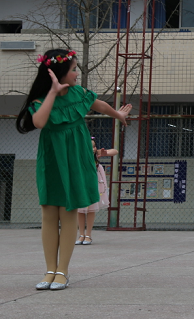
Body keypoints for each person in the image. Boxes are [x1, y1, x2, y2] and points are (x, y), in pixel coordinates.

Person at [16, 49, 131, 291]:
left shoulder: (78, 93)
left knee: (68, 211)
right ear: (58, 73)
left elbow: (97, 104)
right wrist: (53, 92)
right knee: (49, 212)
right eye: (73, 69)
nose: (77, 73)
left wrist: (117, 114)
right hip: (52, 160)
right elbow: (39, 122)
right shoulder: (41, 100)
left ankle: (62, 272)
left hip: (75, 158)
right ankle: (49, 270)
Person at [76, 138, 118, 246]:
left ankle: (88, 235)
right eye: (90, 147)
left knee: (91, 208)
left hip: (93, 181)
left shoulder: (96, 154)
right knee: (80, 209)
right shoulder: (77, 153)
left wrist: (103, 153)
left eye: (94, 146)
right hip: (80, 181)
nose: (93, 149)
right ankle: (81, 234)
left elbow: (115, 151)